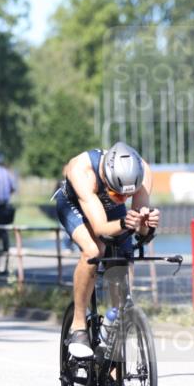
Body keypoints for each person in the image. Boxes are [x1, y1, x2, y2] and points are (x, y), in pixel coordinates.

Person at [54, 142, 160, 359]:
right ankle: (79, 324)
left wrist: (147, 224)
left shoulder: (144, 172)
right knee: (94, 250)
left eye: (127, 196)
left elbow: (141, 232)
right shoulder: (82, 171)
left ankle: (113, 374)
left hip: (112, 212)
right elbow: (101, 228)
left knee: (123, 262)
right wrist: (125, 223)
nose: (123, 199)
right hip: (75, 205)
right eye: (117, 193)